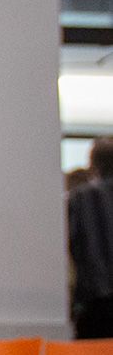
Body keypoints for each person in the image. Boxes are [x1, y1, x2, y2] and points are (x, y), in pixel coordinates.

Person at [67, 137, 113, 336]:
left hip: (94, 299)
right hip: (95, 295)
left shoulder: (81, 197)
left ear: (93, 164)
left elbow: (72, 245)